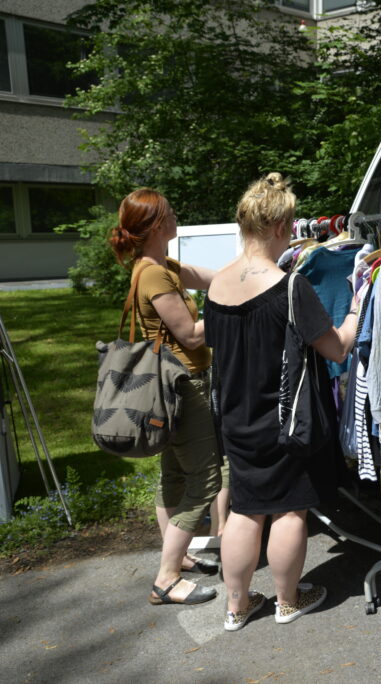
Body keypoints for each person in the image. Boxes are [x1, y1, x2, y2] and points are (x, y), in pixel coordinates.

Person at [204, 173, 358, 631]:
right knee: (291, 508)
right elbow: (336, 348)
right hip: (286, 417)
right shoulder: (290, 287)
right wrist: (355, 310)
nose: (292, 234)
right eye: (290, 226)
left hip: (235, 416)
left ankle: (236, 606)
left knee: (245, 508)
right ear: (277, 227)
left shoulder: (217, 284)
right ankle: (288, 601)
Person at [109, 188, 221, 606]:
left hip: (171, 387)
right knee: (205, 481)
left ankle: (178, 556)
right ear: (157, 225)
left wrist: (250, 274)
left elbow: (214, 279)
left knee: (173, 476)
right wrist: (230, 311)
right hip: (183, 386)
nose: (176, 217)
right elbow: (189, 335)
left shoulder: (161, 266)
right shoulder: (153, 274)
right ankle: (167, 577)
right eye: (171, 213)